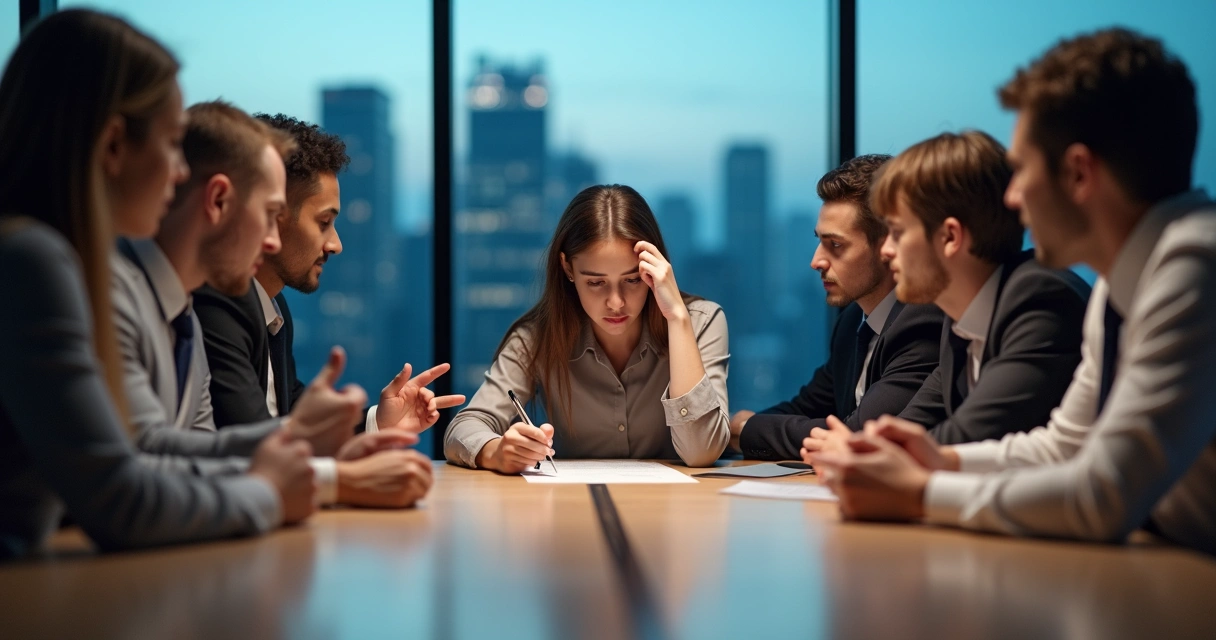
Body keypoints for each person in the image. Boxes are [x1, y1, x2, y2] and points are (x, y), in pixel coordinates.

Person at [811, 28, 1216, 555]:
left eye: (1021, 170)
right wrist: (941, 461)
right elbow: (1065, 446)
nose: (1011, 196)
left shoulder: (1194, 266)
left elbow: (1104, 492)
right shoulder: (1122, 288)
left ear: (1077, 173)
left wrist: (921, 492)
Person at [0, 10, 314, 559]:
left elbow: (153, 455)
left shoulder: (64, 262)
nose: (178, 172)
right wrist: (270, 491)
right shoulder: (32, 260)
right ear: (115, 145)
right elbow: (119, 495)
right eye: (172, 145)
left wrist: (296, 452)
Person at [113, 100, 431, 508]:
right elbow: (148, 465)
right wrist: (333, 475)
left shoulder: (226, 307)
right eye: (269, 214)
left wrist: (351, 434)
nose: (271, 241)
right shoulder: (190, 300)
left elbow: (202, 447)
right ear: (218, 200)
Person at [802, 130, 1089, 461]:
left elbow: (968, 438)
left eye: (897, 233)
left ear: (950, 237)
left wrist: (859, 452)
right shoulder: (962, 319)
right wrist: (865, 450)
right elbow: (914, 436)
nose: (887, 251)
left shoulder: (1041, 298)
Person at [193, 113, 463, 446]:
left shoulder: (273, 310)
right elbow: (258, 447)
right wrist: (340, 482)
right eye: (323, 223)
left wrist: (377, 422)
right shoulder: (218, 305)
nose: (336, 244)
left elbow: (294, 420)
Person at [445, 184, 730, 471]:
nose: (616, 302)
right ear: (568, 269)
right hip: (573, 507)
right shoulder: (538, 338)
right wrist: (496, 451)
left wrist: (677, 319)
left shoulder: (701, 323)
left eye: (633, 280)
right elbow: (464, 428)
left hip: (678, 509)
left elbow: (701, 452)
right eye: (596, 283)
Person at [729, 154, 943, 460]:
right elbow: (804, 408)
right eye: (819, 241)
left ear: (886, 245)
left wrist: (747, 429)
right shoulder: (853, 321)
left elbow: (856, 436)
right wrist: (735, 429)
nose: (816, 261)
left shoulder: (922, 320)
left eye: (836, 245)